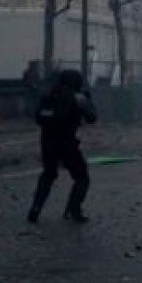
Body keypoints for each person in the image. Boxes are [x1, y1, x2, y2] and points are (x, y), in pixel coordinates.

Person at [27, 69, 97, 223]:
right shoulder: (78, 98)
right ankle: (74, 209)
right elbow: (92, 118)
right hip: (67, 143)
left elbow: (39, 118)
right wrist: (86, 103)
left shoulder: (49, 97)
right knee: (82, 177)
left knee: (48, 175)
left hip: (48, 143)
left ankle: (35, 208)